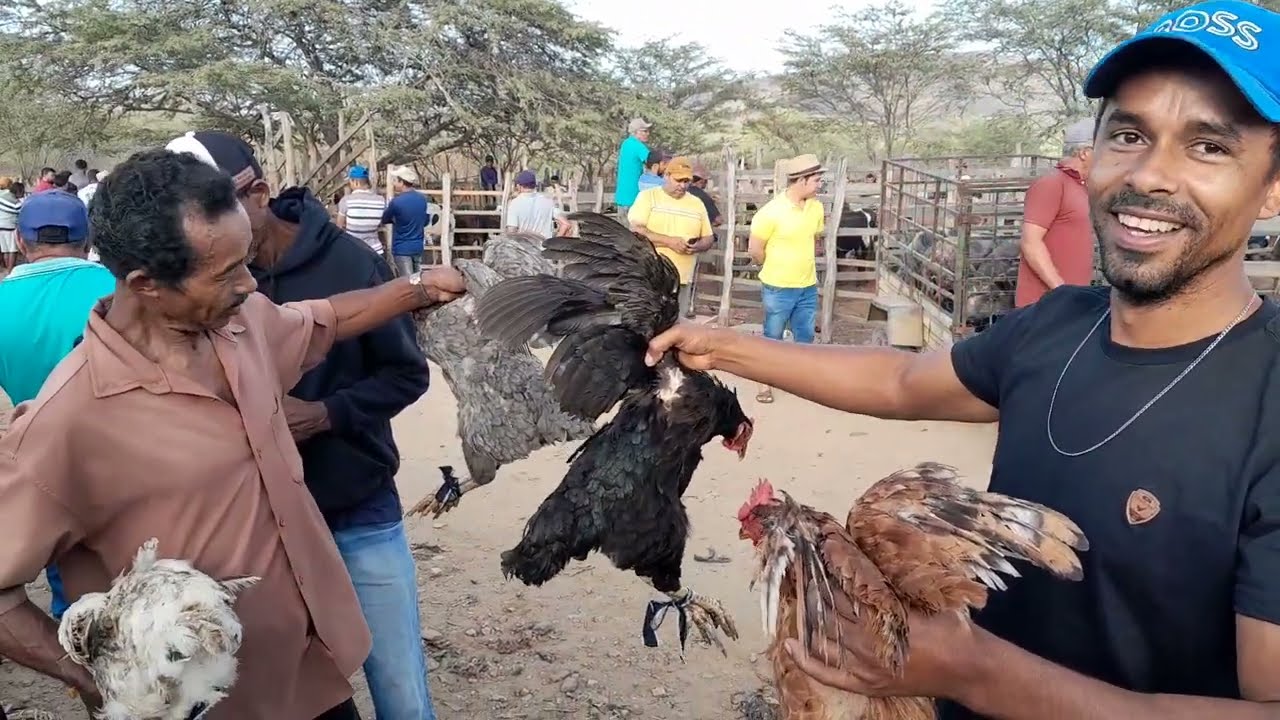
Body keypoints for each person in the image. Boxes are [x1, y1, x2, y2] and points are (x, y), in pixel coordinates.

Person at [646, 2, 1280, 716]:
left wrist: (971, 671)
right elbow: (900, 379)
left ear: (1273, 185)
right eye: (1129, 134)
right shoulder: (1055, 327)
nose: (1152, 175)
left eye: (1209, 147)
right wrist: (723, 346)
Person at [0, 148, 465, 720]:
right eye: (225, 273)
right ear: (146, 284)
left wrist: (417, 288)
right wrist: (104, 683)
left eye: (245, 261)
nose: (248, 283)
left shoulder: (239, 327)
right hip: (207, 709)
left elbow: (325, 318)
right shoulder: (67, 420)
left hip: (310, 678)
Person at [0, 190, 115, 625]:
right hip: (132, 462)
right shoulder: (123, 288)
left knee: (77, 602)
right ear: (88, 239)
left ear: (21, 241)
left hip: (48, 470)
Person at [748, 154, 826, 404]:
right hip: (778, 286)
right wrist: (769, 266)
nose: (820, 184)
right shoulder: (770, 212)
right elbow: (755, 249)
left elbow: (815, 238)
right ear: (801, 180)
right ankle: (765, 382)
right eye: (816, 180)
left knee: (805, 335)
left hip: (807, 284)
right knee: (773, 336)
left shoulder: (816, 208)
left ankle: (800, 380)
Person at [1015, 118, 1096, 307]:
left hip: (1069, 302)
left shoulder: (1080, 186)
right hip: (1044, 305)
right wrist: (1061, 290)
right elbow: (1031, 243)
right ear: (1084, 153)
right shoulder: (1052, 184)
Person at [628, 156, 713, 317]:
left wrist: (698, 246)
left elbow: (708, 237)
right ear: (667, 176)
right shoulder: (648, 197)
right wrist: (669, 241)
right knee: (648, 320)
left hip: (682, 278)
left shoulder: (697, 203)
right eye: (678, 180)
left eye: (687, 181)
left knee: (678, 322)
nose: (683, 185)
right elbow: (636, 231)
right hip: (652, 275)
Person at [382, 165, 430, 278]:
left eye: (395, 180)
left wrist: (395, 220)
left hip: (402, 248)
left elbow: (385, 219)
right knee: (417, 278)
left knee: (407, 281)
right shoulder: (422, 199)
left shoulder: (396, 202)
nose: (394, 183)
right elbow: (425, 220)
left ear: (401, 182)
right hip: (417, 246)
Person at [336, 165, 388, 256]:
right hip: (376, 251)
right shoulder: (381, 200)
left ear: (355, 182)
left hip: (354, 251)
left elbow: (338, 227)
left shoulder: (347, 201)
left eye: (350, 181)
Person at [505, 169, 569, 239]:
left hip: (523, 245)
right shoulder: (548, 201)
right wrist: (553, 242)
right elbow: (566, 224)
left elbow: (511, 231)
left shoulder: (515, 204)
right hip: (545, 245)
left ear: (519, 186)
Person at [614, 118, 651, 219]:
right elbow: (653, 161)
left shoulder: (626, 143)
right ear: (636, 132)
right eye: (644, 131)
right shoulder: (638, 146)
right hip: (633, 198)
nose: (647, 134)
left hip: (622, 197)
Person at [0, 178, 19, 272]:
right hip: (10, 227)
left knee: (5, 250)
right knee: (12, 249)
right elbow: (16, 209)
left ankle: (6, 268)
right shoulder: (10, 197)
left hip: (1, 226)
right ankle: (10, 270)